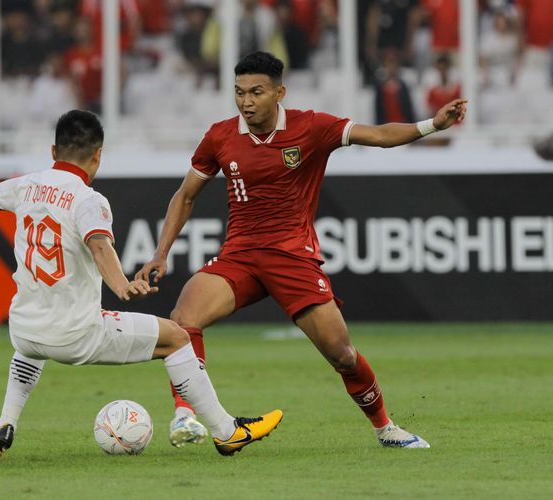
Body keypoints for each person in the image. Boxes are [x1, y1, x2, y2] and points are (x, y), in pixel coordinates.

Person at [136, 51, 467, 449]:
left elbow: (378, 136)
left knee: (342, 354)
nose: (246, 102)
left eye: (256, 92)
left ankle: (385, 428)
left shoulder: (311, 128)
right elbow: (185, 196)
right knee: (183, 318)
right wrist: (160, 252)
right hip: (240, 255)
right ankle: (187, 416)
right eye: (239, 93)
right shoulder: (220, 136)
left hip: (292, 257)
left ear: (279, 92)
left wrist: (433, 124)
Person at [0, 110, 283, 460]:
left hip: (23, 329)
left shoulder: (23, 184)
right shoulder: (88, 200)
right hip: (77, 336)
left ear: (52, 151)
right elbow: (99, 246)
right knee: (178, 339)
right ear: (98, 155)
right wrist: (122, 286)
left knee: (30, 348)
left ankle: (5, 423)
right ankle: (227, 432)